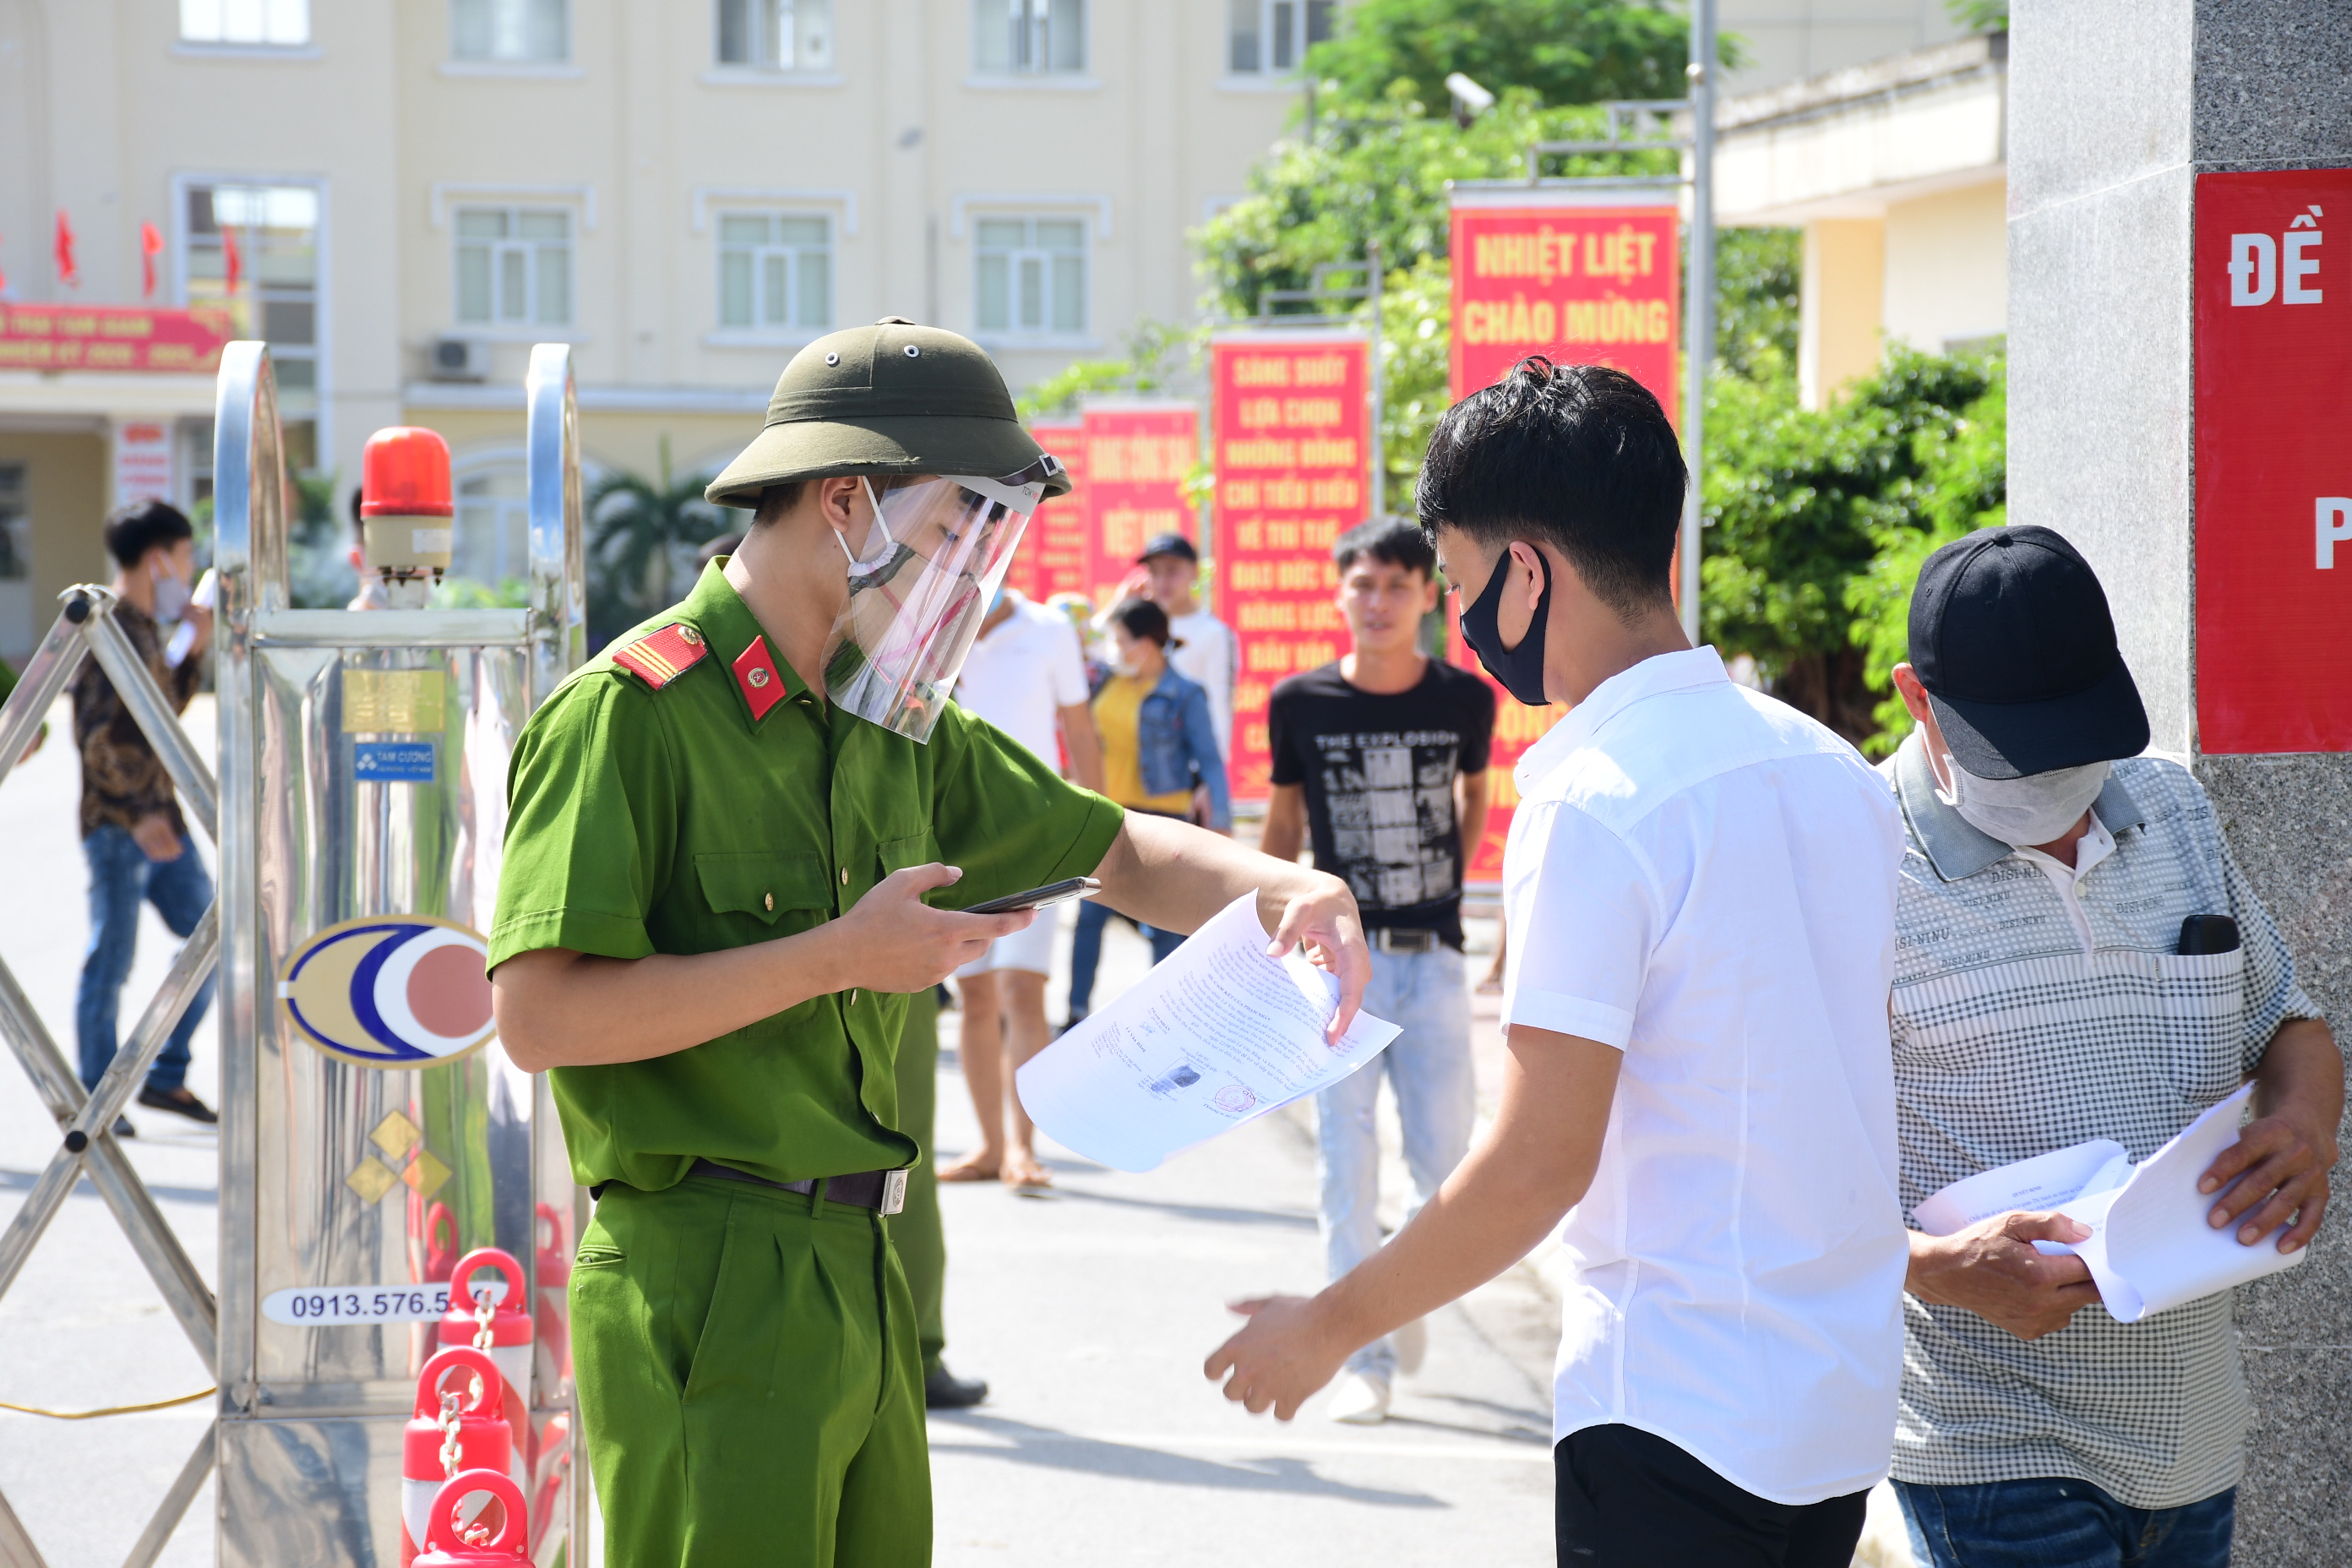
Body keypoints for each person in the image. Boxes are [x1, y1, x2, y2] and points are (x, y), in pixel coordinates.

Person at [487, 318, 1368, 1568]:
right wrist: (836, 956)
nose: (974, 571)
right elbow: (540, 1017)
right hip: (705, 1267)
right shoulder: (631, 718)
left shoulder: (892, 720)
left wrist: (1289, 887)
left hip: (864, 1259)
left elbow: (1119, 848)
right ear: (846, 501)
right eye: (961, 525)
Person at [1205, 358, 1909, 1568]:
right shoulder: (1832, 768)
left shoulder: (1596, 799)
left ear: (1527, 573)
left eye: (1467, 586)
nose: (1470, 627)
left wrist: (1331, 1323)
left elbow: (1539, 1164)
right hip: (1836, 1405)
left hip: (1678, 1407)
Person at [1876, 525, 2341, 1568]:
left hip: (2194, 1438)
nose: (2052, 779)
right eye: (2014, 751)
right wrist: (1942, 1270)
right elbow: (1775, 1167)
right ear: (1918, 698)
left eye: (2075, 742)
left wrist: (2305, 1124)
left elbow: (2292, 1022)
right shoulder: (1853, 858)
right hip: (1988, 1441)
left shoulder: (2172, 805)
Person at [1260, 515, 1494, 1424]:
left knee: (1442, 1166)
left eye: (1399, 584)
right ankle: (1366, 1356)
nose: (1379, 601)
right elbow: (1281, 831)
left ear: (1429, 597)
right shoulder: (1301, 702)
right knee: (1344, 1166)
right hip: (1332, 971)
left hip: (1431, 959)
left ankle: (1398, 1297)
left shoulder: (1463, 699)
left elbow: (1473, 796)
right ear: (1340, 593)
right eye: (1363, 584)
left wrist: (1450, 879)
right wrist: (1269, 938)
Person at [942, 585, 1103, 1192]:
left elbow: (1080, 733)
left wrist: (1105, 836)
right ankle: (987, 1146)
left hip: (1039, 831)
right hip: (953, 835)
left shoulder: (1048, 628)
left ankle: (1022, 1149)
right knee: (976, 994)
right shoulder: (932, 626)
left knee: (1021, 991)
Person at [74, 499, 217, 1132]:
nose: (188, 570)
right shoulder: (103, 624)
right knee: (112, 957)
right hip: (122, 827)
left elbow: (159, 718)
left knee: (216, 940)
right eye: (185, 557)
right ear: (159, 558)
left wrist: (193, 650)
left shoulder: (145, 627)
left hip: (163, 824)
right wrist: (135, 815)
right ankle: (95, 1096)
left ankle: (163, 1074)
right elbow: (97, 736)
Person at [1065, 596, 1232, 1027]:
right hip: (1110, 814)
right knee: (1089, 916)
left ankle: (1169, 1017)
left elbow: (1210, 760)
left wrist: (1222, 822)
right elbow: (1082, 634)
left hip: (1164, 820)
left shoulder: (1185, 693)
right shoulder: (1104, 682)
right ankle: (1076, 1011)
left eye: (1123, 641)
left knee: (1165, 925)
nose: (1115, 649)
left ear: (1148, 643)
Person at [1122, 531, 1236, 770]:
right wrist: (1120, 604)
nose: (1162, 582)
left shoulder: (1214, 633)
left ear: (1194, 571)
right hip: (1137, 772)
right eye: (1154, 572)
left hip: (1187, 773)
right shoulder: (1135, 627)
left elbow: (1218, 707)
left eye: (1172, 571)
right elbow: (1095, 654)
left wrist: (1209, 776)